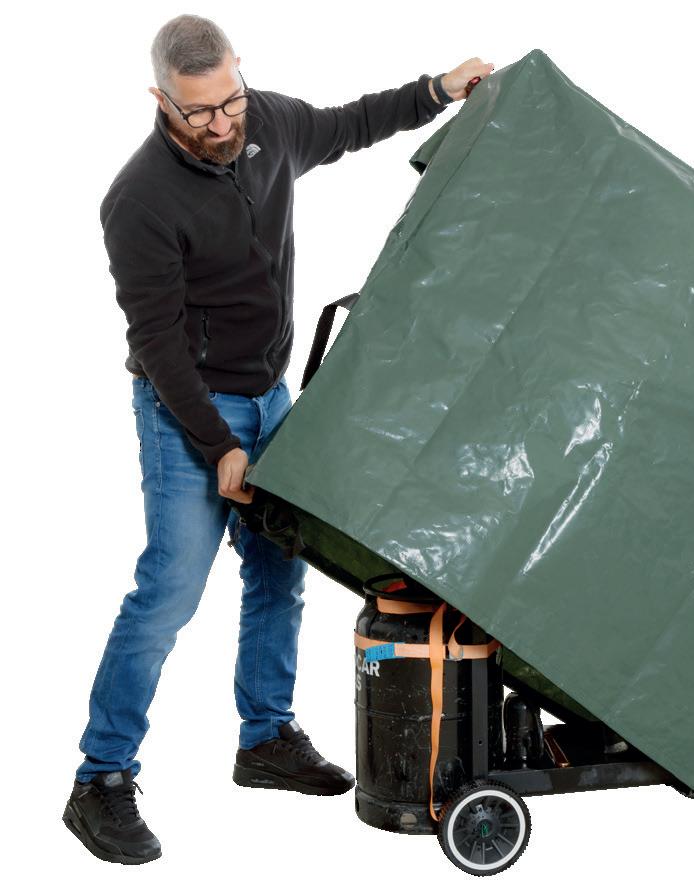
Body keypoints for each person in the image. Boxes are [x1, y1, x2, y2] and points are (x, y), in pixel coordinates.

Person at [62, 13, 493, 865]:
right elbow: (156, 342)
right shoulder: (139, 199)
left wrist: (438, 90)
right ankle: (99, 778)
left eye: (231, 101)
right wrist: (217, 442)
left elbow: (349, 123)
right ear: (161, 100)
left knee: (277, 574)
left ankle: (265, 739)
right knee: (167, 594)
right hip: (188, 410)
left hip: (271, 396)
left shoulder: (269, 121)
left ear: (240, 75)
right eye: (200, 112)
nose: (222, 123)